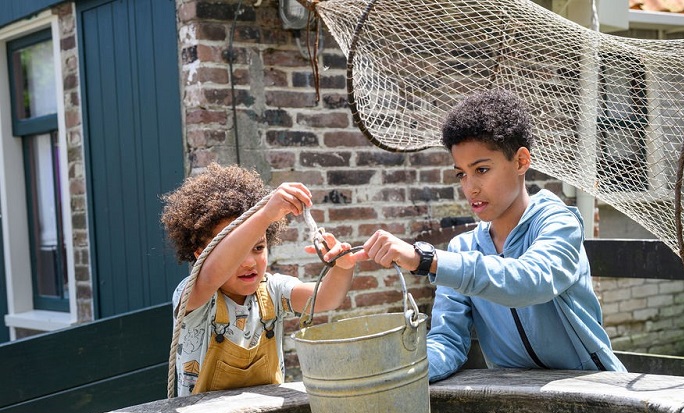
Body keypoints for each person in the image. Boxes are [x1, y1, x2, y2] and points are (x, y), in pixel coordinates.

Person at [353, 89, 626, 381]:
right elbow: (447, 341)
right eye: (461, 174)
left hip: (593, 389)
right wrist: (398, 372)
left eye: (481, 169)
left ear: (521, 161)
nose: (470, 188)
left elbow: (528, 280)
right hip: (515, 398)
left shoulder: (558, 223)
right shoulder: (463, 248)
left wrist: (427, 260)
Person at [161, 163, 357, 396]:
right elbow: (213, 274)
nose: (249, 262)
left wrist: (343, 268)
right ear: (199, 254)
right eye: (236, 251)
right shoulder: (194, 297)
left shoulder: (273, 291)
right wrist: (264, 215)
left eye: (258, 247)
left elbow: (326, 298)